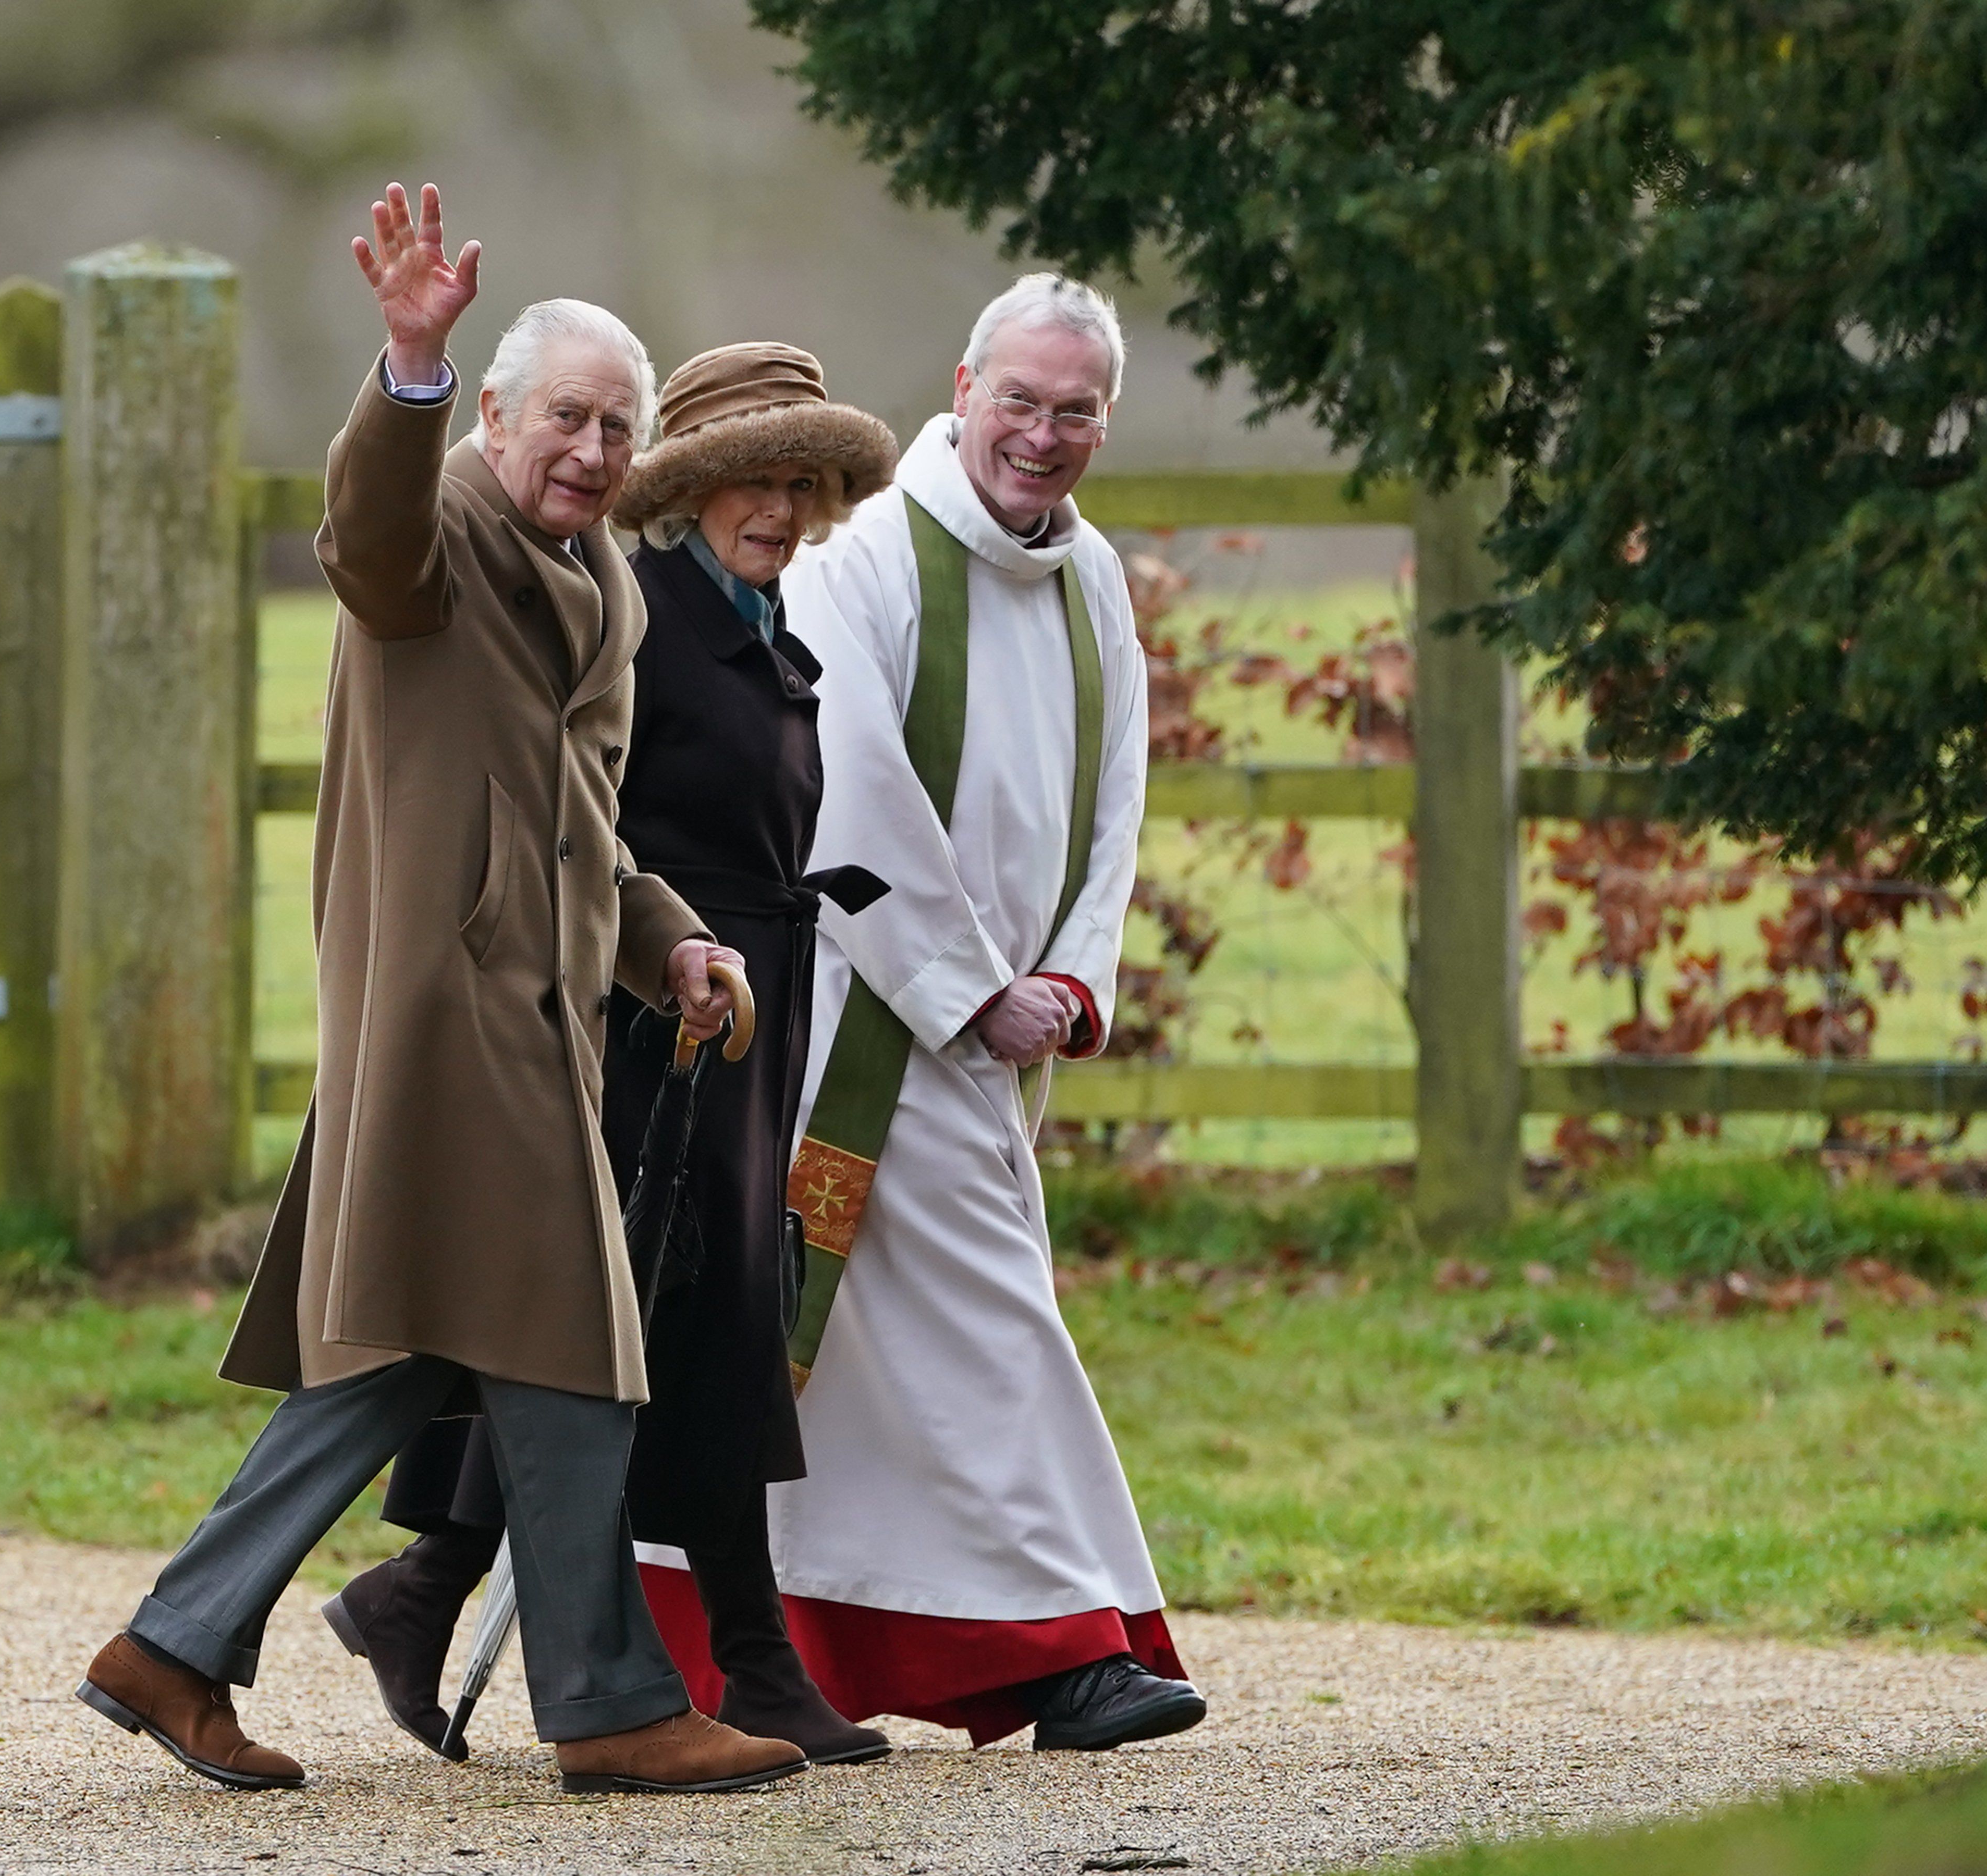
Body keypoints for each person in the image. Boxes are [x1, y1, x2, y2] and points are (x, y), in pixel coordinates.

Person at [72, 183, 806, 1799]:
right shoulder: (448, 524)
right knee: (571, 1349)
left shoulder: (605, 582)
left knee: (410, 1357)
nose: (593, 450)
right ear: (493, 415)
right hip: (444, 1015)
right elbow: (366, 537)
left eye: (617, 426)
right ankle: (610, 1701)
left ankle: (176, 1645)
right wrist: (401, 365)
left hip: (541, 1017)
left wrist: (671, 940)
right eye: (565, 416)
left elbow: (585, 832)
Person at [323, 345, 900, 1768]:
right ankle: (737, 1658)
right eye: (752, 480)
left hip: (741, 997)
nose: (779, 506)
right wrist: (646, 959)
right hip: (644, 1017)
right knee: (648, 1324)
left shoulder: (762, 619)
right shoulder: (639, 610)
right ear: (690, 489)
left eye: (803, 483)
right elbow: (579, 810)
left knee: (674, 1323)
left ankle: (424, 1586)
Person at [749, 274, 1209, 1750]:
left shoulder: (1093, 584)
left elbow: (1115, 803)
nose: (1043, 432)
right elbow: (844, 788)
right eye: (1020, 398)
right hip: (861, 1021)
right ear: (961, 387)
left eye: (1076, 410)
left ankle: (753, 1650)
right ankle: (1067, 1651)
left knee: (858, 1369)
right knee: (987, 1326)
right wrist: (967, 990)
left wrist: (1073, 979)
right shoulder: (861, 557)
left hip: (1006, 1032)